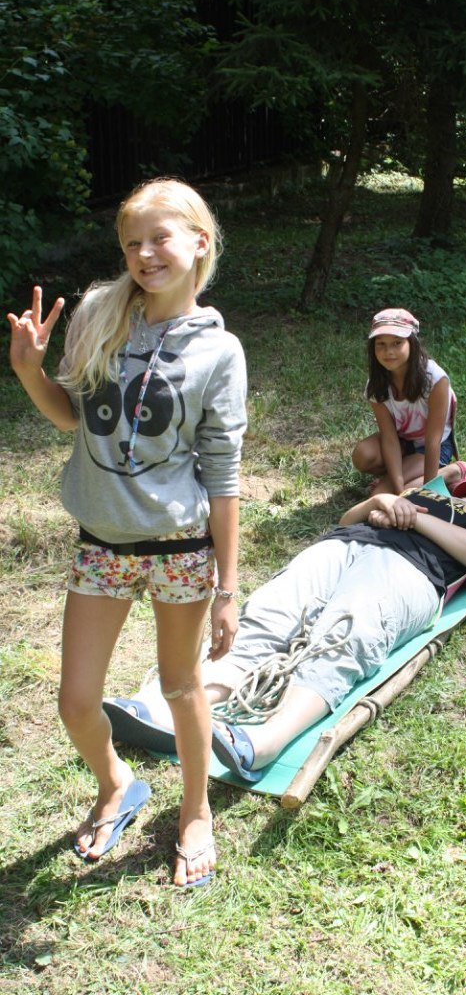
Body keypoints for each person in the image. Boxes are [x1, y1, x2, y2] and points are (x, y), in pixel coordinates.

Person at [7, 178, 247, 888]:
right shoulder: (99, 315)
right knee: (76, 701)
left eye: (159, 238)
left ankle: (196, 812)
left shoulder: (219, 350)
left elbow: (223, 474)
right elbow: (71, 416)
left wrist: (228, 588)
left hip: (179, 548)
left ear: (199, 242)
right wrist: (28, 370)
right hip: (103, 543)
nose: (145, 254)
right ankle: (116, 783)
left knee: (181, 686)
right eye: (132, 242)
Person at [103, 464, 466, 779]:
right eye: (463, 493)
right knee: (268, 615)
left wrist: (417, 518)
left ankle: (263, 742)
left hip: (410, 569)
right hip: (343, 545)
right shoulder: (417, 496)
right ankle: (160, 709)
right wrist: (379, 503)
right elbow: (347, 520)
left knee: (345, 633)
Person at [351, 309, 466, 496]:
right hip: (403, 443)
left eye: (397, 343)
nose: (388, 351)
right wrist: (398, 490)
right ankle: (403, 477)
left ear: (412, 343)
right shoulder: (376, 384)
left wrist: (429, 490)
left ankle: (452, 472)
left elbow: (433, 440)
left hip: (433, 448)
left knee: (381, 494)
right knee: (363, 456)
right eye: (381, 344)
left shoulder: (435, 379)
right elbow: (389, 438)